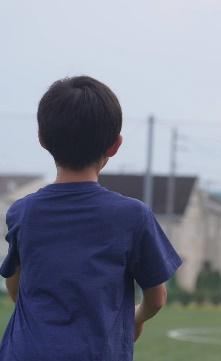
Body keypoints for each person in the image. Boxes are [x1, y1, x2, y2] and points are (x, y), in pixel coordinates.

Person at [0, 76, 182, 361]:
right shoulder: (133, 216)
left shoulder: (23, 212)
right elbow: (156, 298)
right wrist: (137, 317)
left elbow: (15, 285)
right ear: (115, 145)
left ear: (42, 138)